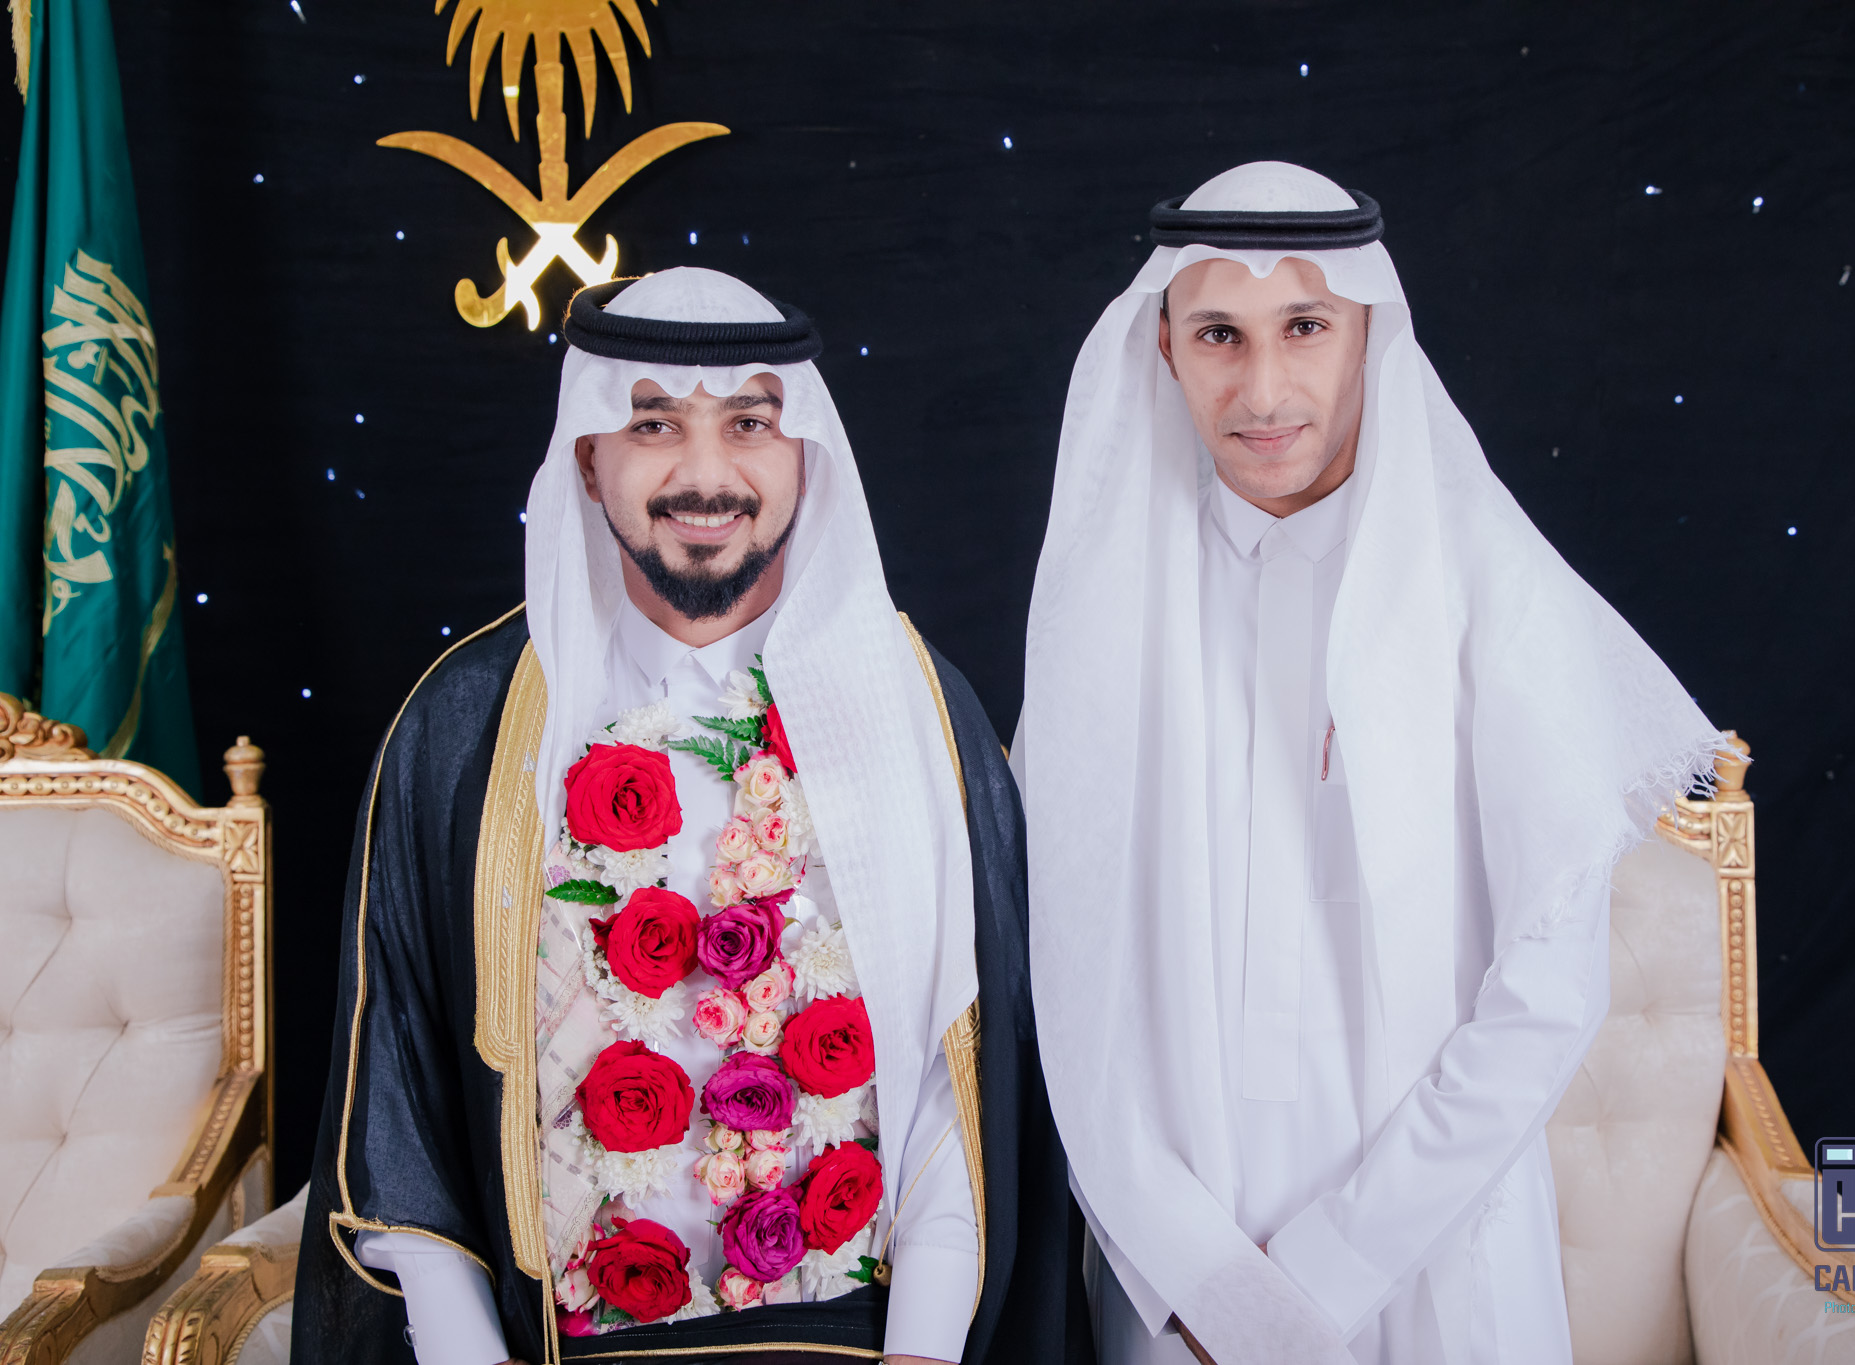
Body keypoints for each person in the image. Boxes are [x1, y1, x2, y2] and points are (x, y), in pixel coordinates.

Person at [294, 267, 1085, 1365]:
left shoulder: (913, 713)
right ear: (588, 456)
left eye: (750, 424)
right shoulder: (469, 725)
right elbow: (399, 1092)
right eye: (652, 424)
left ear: (804, 453)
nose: (705, 475)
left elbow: (967, 1079)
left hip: (856, 1346)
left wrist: (921, 1351)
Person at [1014, 161, 1726, 1364]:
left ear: (1368, 334)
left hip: (1435, 1255)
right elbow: (1068, 988)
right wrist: (1202, 1281)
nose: (1261, 389)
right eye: (1219, 335)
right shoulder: (1101, 615)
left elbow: (1545, 992)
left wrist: (1328, 1268)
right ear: (1164, 349)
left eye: (1303, 327)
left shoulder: (1487, 598)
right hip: (1178, 1284)